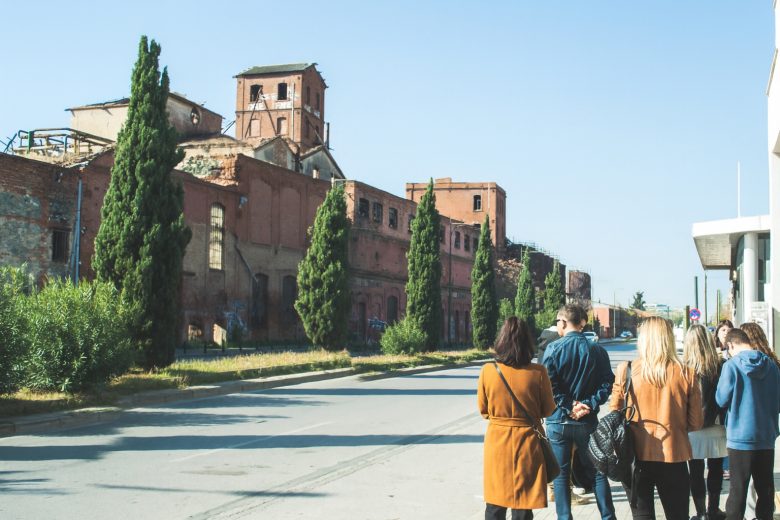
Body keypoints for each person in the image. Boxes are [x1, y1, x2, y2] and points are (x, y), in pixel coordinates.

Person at [610, 316, 703, 520]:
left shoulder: (626, 370)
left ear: (643, 339)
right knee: (678, 515)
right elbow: (696, 423)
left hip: (635, 455)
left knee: (642, 516)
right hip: (674, 454)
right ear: (668, 338)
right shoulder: (686, 373)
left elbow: (615, 410)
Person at [542, 303, 616, 520]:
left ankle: (564, 518)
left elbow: (549, 385)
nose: (557, 327)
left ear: (564, 322)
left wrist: (569, 405)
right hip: (587, 422)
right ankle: (608, 516)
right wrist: (589, 404)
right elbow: (607, 383)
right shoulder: (597, 350)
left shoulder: (553, 349)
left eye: (558, 323)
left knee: (561, 475)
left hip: (558, 422)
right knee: (598, 472)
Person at [478, 317, 556, 519]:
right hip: (528, 441)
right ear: (527, 343)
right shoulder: (538, 372)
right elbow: (548, 409)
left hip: (497, 442)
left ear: (501, 340)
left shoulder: (488, 371)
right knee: (523, 503)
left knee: (495, 501)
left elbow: (483, 409)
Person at [716, 328, 780, 520]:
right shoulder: (771, 365)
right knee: (766, 489)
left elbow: (721, 399)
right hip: (766, 436)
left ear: (732, 345)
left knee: (738, 490)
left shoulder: (731, 366)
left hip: (739, 438)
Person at [683, 324, 727, 520]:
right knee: (716, 469)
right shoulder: (720, 364)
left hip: (692, 426)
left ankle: (700, 512)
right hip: (716, 425)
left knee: (696, 471)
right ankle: (713, 509)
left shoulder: (683, 368)